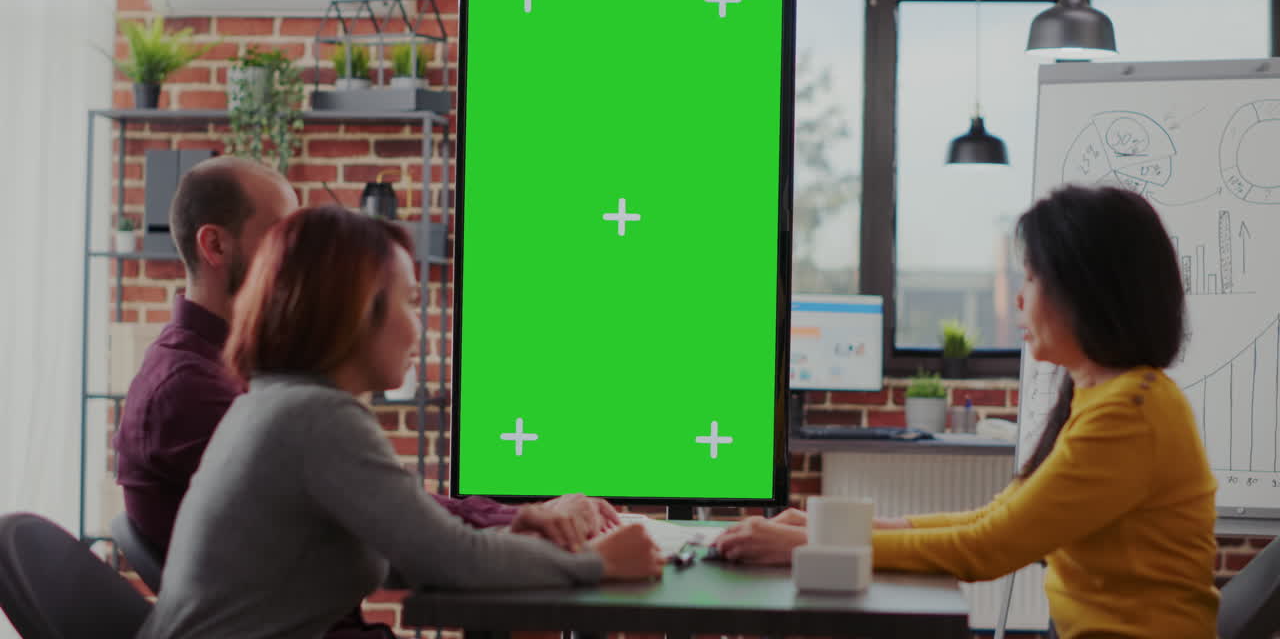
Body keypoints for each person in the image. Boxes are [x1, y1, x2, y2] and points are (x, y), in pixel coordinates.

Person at [714, 185, 1219, 638]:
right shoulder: (1105, 394)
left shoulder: (1130, 412)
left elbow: (984, 548)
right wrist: (816, 532)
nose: (1019, 299)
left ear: (1088, 290)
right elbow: (992, 517)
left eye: (1033, 278)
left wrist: (806, 546)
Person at [137, 207, 665, 639]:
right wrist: (596, 564)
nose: (420, 325)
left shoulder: (278, 403)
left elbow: (412, 549)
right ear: (354, 310)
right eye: (411, 301)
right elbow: (450, 561)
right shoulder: (314, 418)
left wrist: (517, 533)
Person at [115, 157, 618, 558]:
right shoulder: (190, 390)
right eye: (280, 237)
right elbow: (403, 525)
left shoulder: (245, 380)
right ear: (215, 245)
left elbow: (388, 506)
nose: (298, 260)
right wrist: (535, 523)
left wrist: (523, 516)